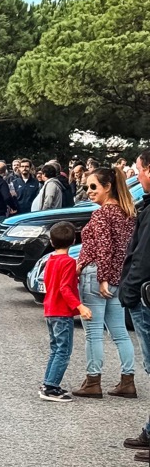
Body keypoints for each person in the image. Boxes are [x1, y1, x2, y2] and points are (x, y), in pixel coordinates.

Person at [72, 167, 140, 399]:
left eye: (93, 187)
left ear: (108, 186)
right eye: (87, 187)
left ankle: (93, 381)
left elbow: (104, 248)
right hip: (119, 277)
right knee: (120, 332)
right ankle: (127, 380)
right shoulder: (128, 213)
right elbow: (126, 250)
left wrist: (102, 278)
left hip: (97, 276)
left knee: (93, 332)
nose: (89, 191)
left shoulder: (102, 214)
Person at [119, 151, 150, 459]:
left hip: (144, 295)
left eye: (139, 171)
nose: (137, 176)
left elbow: (142, 257)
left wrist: (128, 291)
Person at [40, 222, 92, 402]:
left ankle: (48, 382)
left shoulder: (50, 260)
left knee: (55, 349)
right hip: (62, 312)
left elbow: (52, 282)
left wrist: (74, 273)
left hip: (50, 309)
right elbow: (65, 288)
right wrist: (80, 306)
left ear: (52, 242)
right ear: (73, 241)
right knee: (63, 350)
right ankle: (51, 387)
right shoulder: (69, 262)